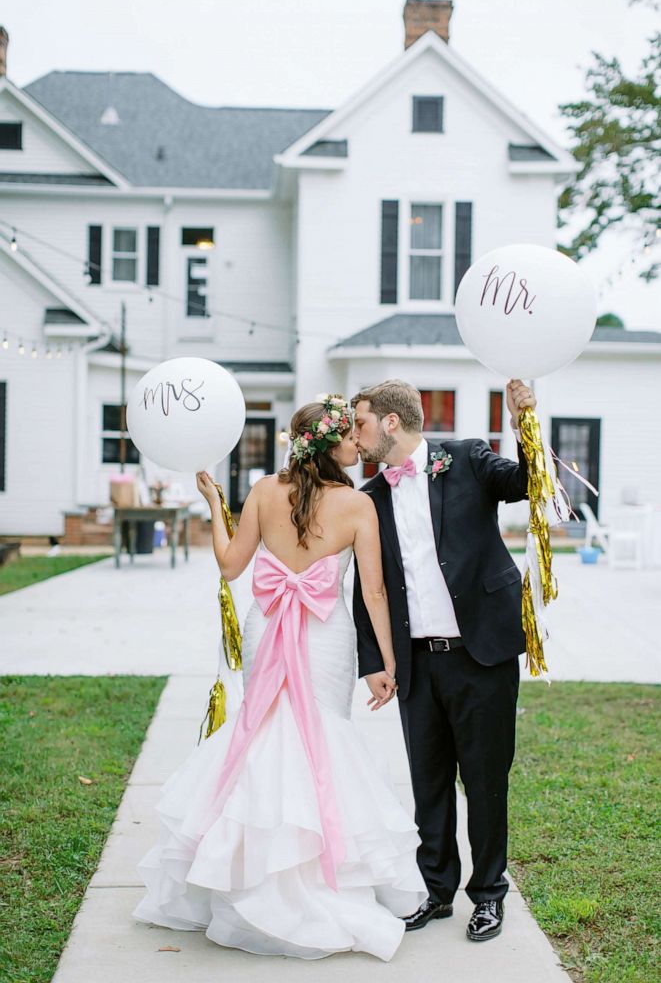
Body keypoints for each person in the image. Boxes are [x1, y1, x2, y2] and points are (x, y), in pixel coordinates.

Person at [132, 395, 427, 961]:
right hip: (325, 634)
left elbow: (229, 565)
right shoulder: (358, 506)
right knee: (319, 736)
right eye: (348, 436)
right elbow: (373, 593)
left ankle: (246, 876)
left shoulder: (265, 492)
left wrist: (216, 503)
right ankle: (320, 876)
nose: (356, 445)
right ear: (331, 444)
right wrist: (388, 664)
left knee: (264, 733)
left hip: (266, 623)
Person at [352, 378, 534, 943]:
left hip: (481, 653)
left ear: (389, 423)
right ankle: (437, 891)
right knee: (427, 783)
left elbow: (527, 483)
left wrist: (526, 423)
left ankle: (488, 895)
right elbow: (368, 586)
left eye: (360, 424)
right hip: (416, 664)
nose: (354, 438)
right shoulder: (371, 498)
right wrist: (373, 661)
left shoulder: (466, 457)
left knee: (483, 782)